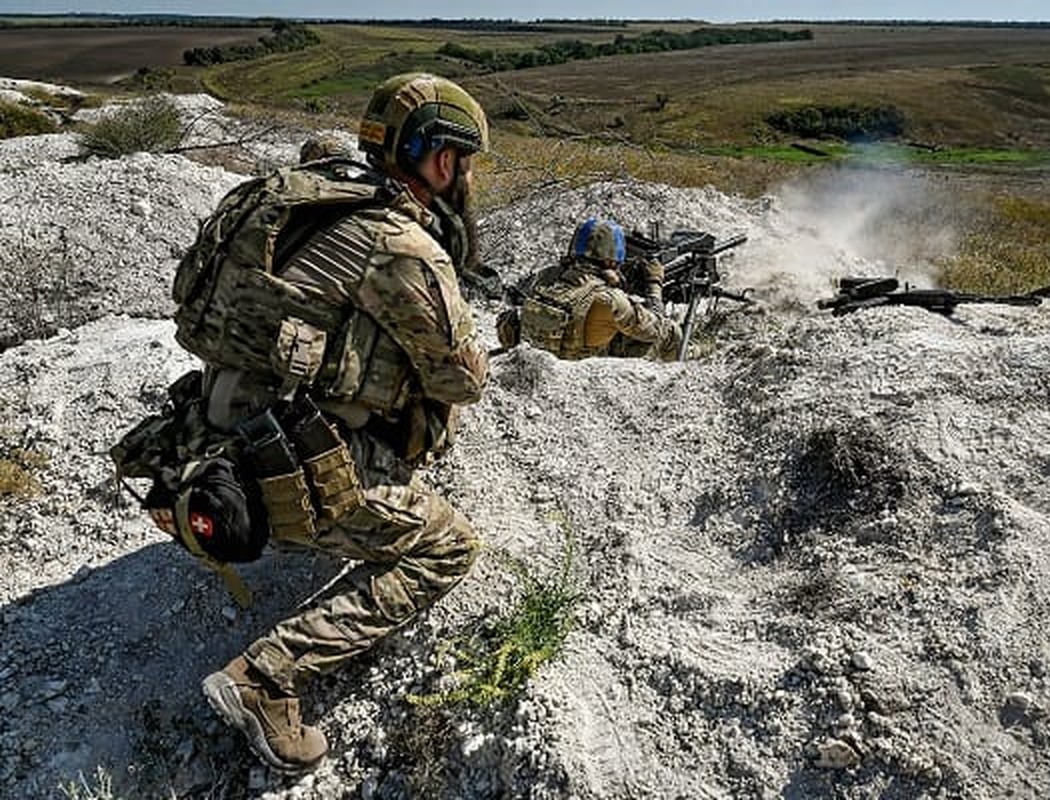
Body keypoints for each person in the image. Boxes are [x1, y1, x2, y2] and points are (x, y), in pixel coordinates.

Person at [153, 73, 489, 774]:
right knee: (448, 549)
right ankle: (268, 679)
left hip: (203, 442)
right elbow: (461, 378)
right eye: (460, 161)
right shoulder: (402, 245)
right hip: (278, 468)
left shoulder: (310, 198)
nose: (462, 178)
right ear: (441, 158)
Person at [496, 218, 682, 360]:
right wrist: (654, 283)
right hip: (583, 368)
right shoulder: (608, 299)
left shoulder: (546, 277)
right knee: (671, 331)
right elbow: (656, 327)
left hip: (545, 357)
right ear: (611, 261)